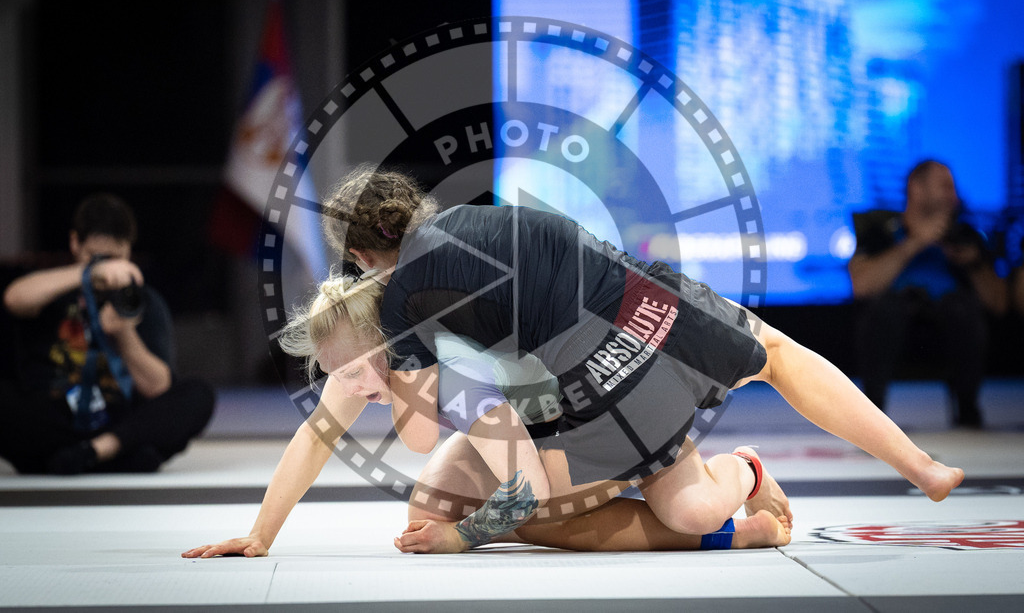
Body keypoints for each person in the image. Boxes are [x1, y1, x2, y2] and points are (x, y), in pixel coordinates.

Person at [321, 164, 963, 554]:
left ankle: (762, 479)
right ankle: (911, 467)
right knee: (768, 365)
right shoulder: (470, 221)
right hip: (624, 311)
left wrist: (397, 379)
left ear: (362, 259)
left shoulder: (403, 301)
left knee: (522, 503)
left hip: (597, 351)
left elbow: (416, 435)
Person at [182, 272, 793, 559]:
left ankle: (743, 479)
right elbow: (315, 438)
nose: (343, 389)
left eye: (348, 373)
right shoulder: (369, 356)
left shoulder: (451, 367)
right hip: (539, 421)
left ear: (387, 349)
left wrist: (463, 537)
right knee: (435, 511)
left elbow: (525, 491)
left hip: (614, 407)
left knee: (682, 511)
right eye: (333, 375)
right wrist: (261, 535)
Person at [0, 193, 215, 474]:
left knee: (198, 394)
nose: (106, 267)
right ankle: (115, 458)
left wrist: (124, 334)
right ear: (75, 243)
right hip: (51, 416)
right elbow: (14, 299)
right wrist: (89, 274)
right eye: (95, 257)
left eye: (113, 258)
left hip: (117, 421)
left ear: (128, 250)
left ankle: (96, 452)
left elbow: (158, 388)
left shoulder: (143, 302)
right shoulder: (53, 288)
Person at [848, 159, 1007, 428]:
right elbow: (861, 286)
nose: (954, 196)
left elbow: (999, 305)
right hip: (895, 321)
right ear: (917, 189)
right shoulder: (882, 232)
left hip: (950, 320)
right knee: (885, 310)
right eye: (945, 186)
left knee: (962, 308)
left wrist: (974, 264)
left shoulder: (966, 236)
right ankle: (872, 417)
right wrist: (915, 242)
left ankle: (968, 411)